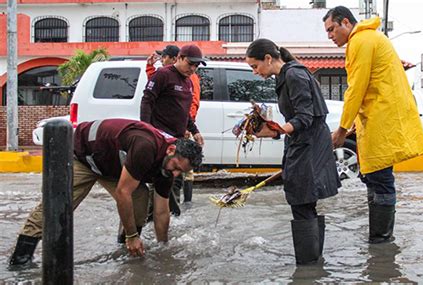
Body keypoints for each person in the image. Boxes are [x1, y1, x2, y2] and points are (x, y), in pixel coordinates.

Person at [9, 119, 203, 265]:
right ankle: (21, 260)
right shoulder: (146, 147)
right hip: (81, 156)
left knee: (141, 199)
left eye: (181, 172)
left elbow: (161, 212)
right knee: (57, 206)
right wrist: (132, 236)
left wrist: (163, 248)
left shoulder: (167, 169)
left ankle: (125, 253)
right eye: (176, 166)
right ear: (170, 150)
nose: (175, 173)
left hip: (111, 167)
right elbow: (122, 193)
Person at [322, 6, 423, 243]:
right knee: (373, 176)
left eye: (331, 30)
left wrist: (341, 129)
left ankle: (381, 241)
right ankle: (379, 238)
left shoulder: (361, 41)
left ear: (345, 23)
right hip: (379, 116)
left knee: (380, 179)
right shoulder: (368, 38)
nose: (329, 36)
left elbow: (356, 88)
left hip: (383, 118)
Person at [245, 38, 341, 265]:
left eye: (254, 66)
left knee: (301, 201)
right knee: (304, 202)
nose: (254, 72)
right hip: (303, 142)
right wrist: (275, 130)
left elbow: (305, 117)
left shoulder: (293, 75)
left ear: (268, 58)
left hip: (309, 144)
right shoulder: (285, 75)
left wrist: (278, 130)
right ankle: (313, 263)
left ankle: (308, 267)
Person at [145, 45, 201, 205]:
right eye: (190, 64)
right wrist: (146, 128)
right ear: (179, 58)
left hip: (177, 139)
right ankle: (152, 216)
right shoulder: (164, 74)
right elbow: (147, 100)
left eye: (196, 66)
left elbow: (184, 112)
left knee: (175, 180)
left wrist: (194, 130)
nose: (192, 68)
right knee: (158, 177)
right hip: (160, 138)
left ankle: (171, 216)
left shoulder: (189, 82)